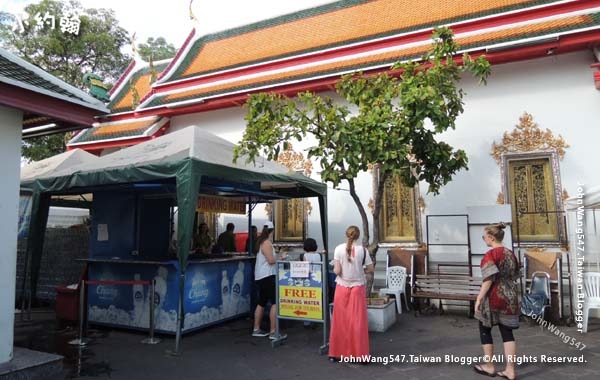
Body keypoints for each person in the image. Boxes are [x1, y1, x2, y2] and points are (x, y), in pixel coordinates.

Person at [473, 223, 519, 380]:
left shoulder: (491, 255)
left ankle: (490, 366)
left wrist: (479, 298)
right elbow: (515, 275)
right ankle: (510, 370)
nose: (484, 239)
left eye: (484, 236)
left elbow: (488, 279)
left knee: (484, 328)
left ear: (491, 237)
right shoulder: (510, 254)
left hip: (493, 297)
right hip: (510, 297)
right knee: (507, 332)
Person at [328, 225, 373, 362]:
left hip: (342, 286)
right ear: (358, 236)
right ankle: (360, 355)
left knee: (340, 320)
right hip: (357, 286)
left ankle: (336, 353)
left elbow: (336, 271)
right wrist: (361, 271)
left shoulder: (338, 249)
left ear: (346, 234)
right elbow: (371, 269)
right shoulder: (363, 251)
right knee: (358, 321)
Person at [252, 221, 287, 340]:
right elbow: (271, 261)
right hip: (267, 276)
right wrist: (281, 257)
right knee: (275, 302)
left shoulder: (262, 242)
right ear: (273, 231)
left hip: (262, 276)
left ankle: (256, 329)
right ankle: (273, 332)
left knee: (262, 302)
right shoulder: (266, 243)